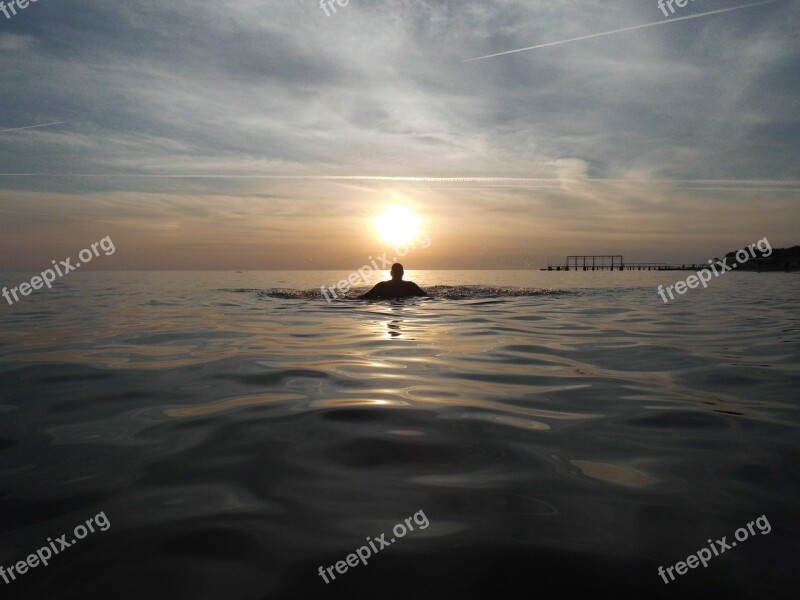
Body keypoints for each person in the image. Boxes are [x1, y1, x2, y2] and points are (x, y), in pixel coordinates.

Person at [359, 263, 429, 300]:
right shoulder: (382, 286)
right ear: (391, 273)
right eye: (396, 272)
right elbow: (365, 297)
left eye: (398, 272)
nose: (397, 274)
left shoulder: (410, 286)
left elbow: (363, 298)